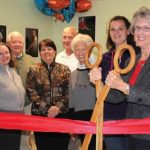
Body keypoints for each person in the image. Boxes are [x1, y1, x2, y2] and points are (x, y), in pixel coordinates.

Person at [89, 7, 150, 150]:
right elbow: (117, 97)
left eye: (146, 28)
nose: (140, 33)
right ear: (133, 32)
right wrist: (99, 84)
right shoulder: (133, 61)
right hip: (132, 131)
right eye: (138, 28)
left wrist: (124, 87)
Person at [26, 39, 71, 150]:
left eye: (49, 49)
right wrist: (47, 109)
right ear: (40, 53)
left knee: (61, 146)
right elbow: (31, 92)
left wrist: (57, 108)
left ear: (55, 51)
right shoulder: (33, 69)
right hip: (40, 116)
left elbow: (69, 91)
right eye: (43, 49)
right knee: (43, 146)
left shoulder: (64, 69)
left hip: (61, 116)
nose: (46, 52)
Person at [7, 31, 36, 150]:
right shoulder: (3, 60)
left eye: (20, 42)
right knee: (11, 132)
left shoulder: (30, 60)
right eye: (14, 42)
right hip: (9, 106)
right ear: (8, 44)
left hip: (27, 103)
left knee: (26, 131)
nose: (17, 44)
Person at [69, 34, 96, 150]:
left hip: (95, 118)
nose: (80, 53)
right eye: (77, 49)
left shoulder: (97, 71)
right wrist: (72, 124)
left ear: (89, 50)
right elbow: (71, 101)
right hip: (79, 119)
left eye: (84, 49)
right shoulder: (72, 74)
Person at [0, 42, 25, 150]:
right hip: (4, 118)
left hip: (18, 117)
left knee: (15, 146)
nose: (5, 56)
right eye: (0, 54)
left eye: (6, 52)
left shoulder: (13, 71)